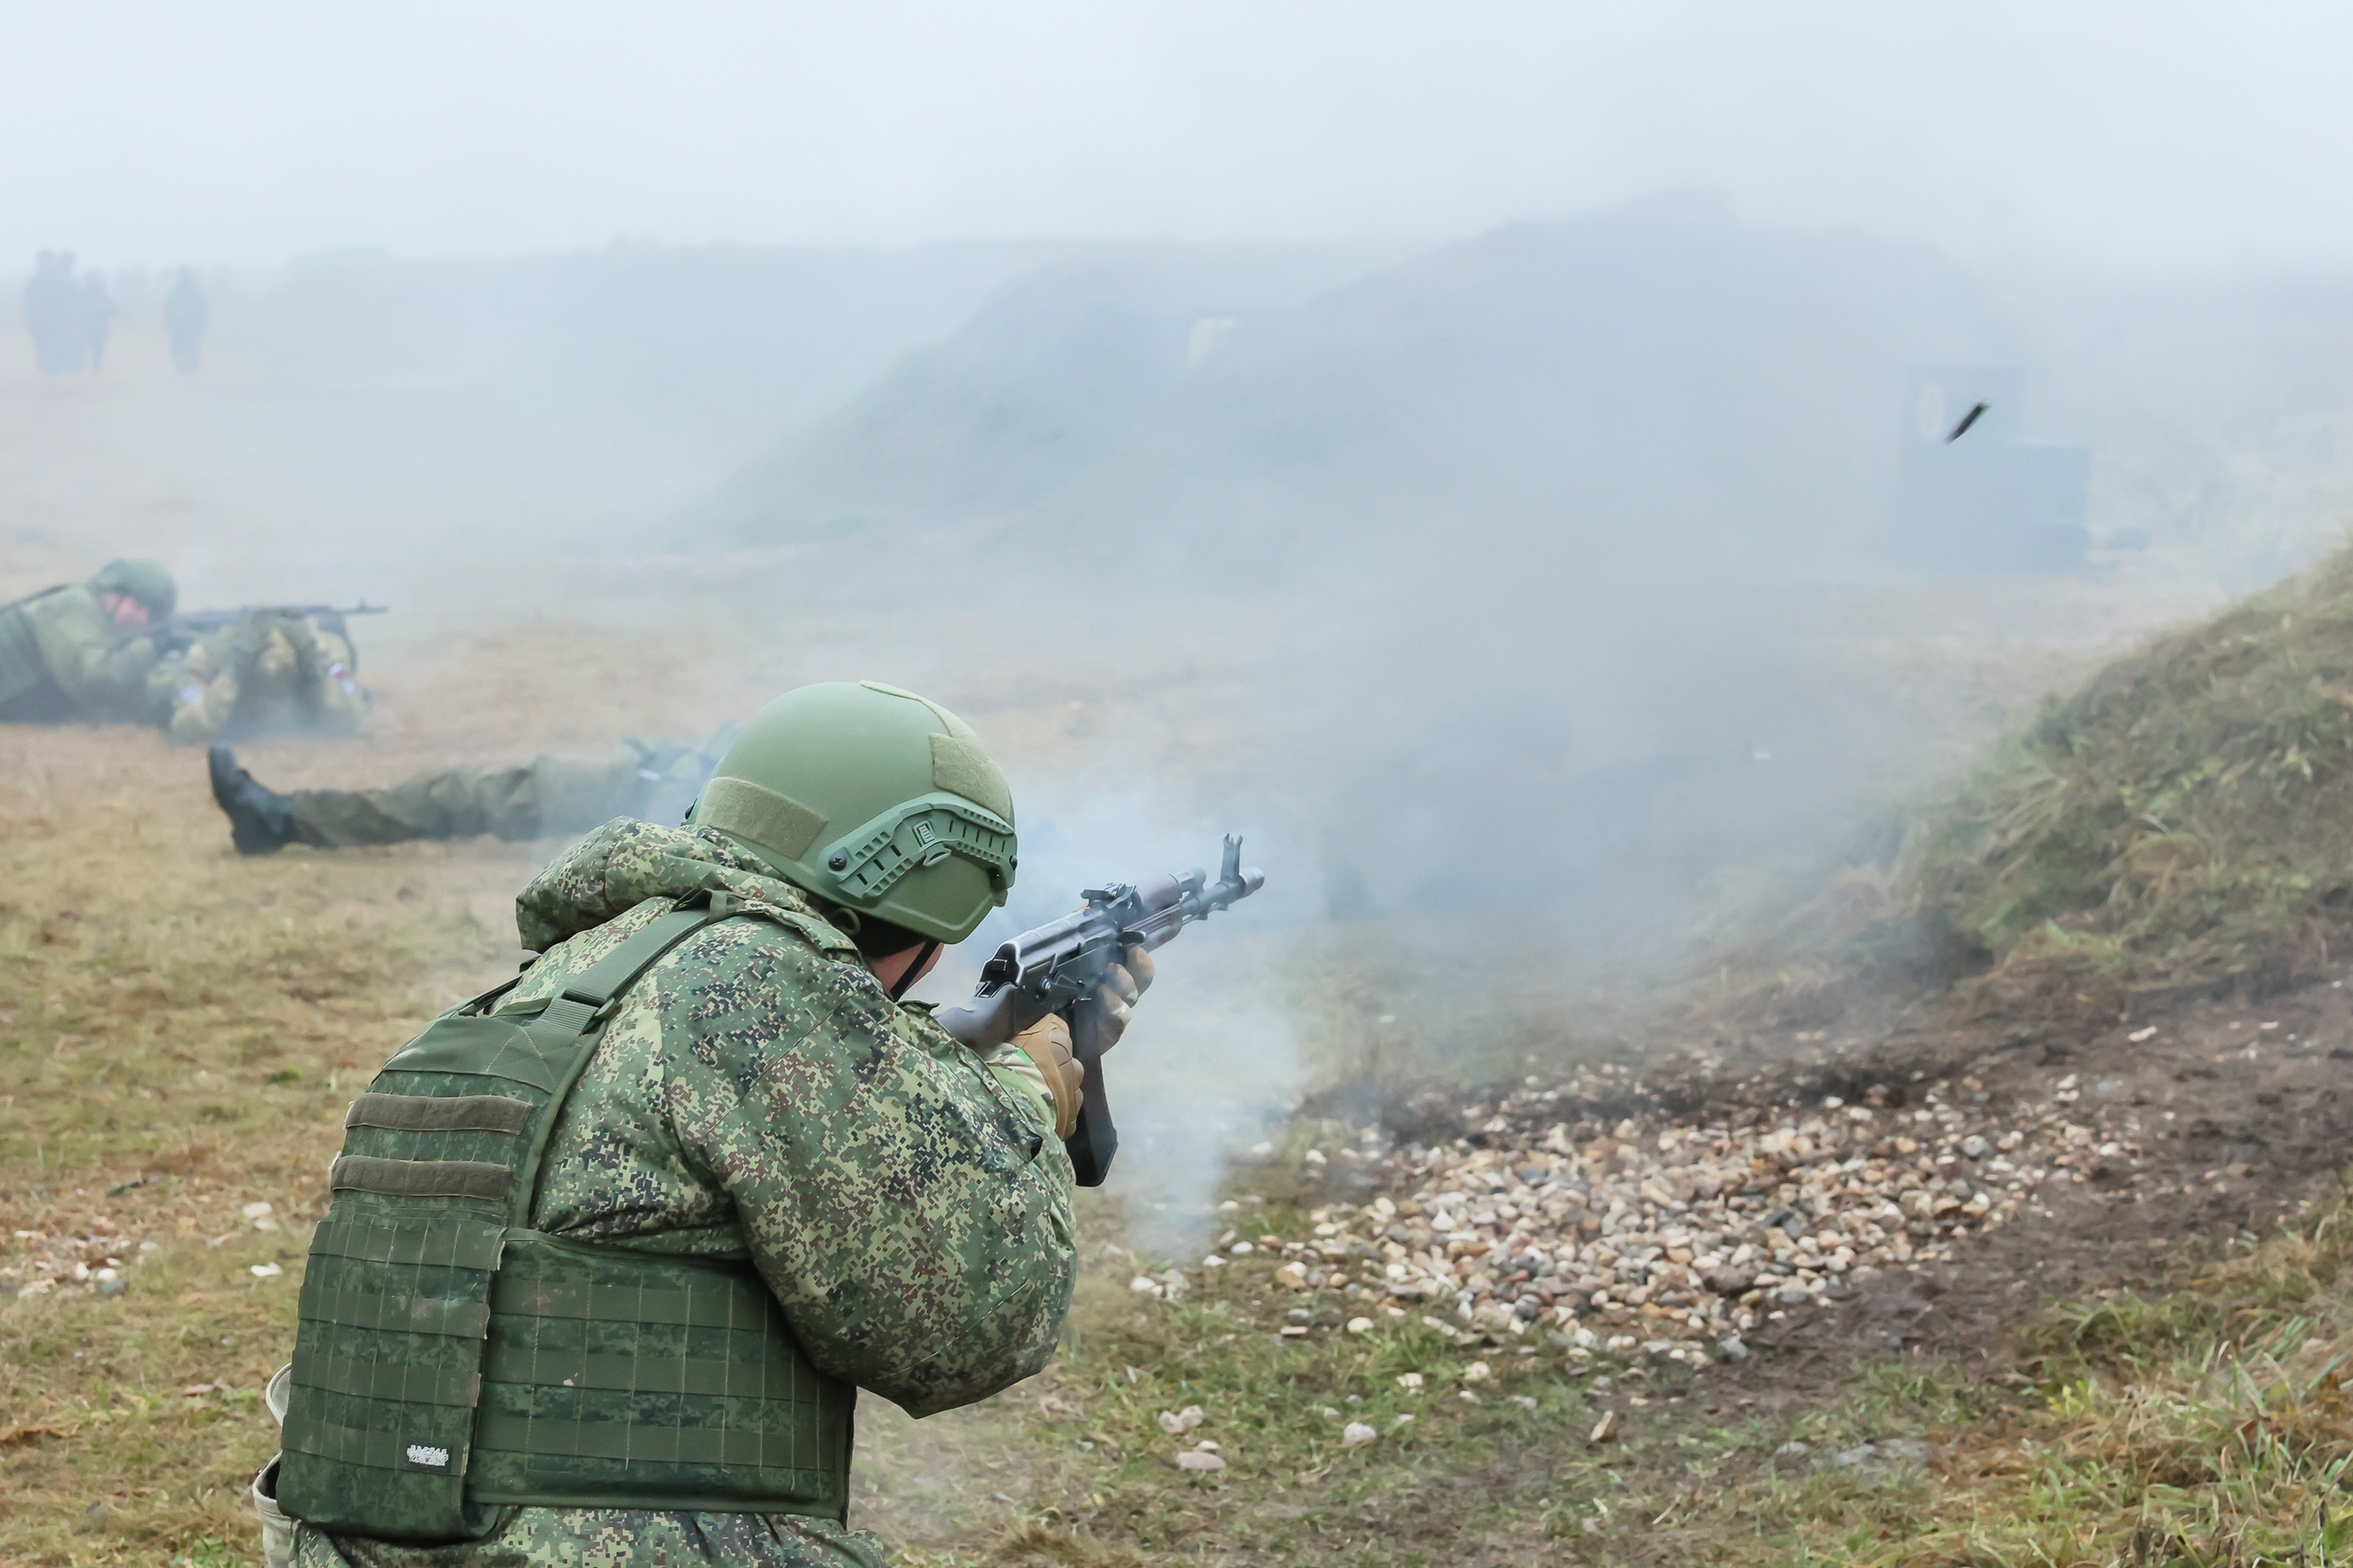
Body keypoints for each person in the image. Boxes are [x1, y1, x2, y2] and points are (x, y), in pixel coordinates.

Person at [261, 679, 1147, 1568]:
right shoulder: (758, 987)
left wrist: (963, 1060)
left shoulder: (572, 974)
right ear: (922, 899)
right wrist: (1030, 1091)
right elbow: (970, 1322)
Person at [206, 726, 739, 854]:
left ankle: (277, 819)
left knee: (465, 793)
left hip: (672, 803)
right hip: (663, 783)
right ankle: (279, 818)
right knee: (464, 791)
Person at [148, 608, 370, 744]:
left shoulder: (328, 648)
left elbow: (351, 717)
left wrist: (311, 656)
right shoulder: (208, 651)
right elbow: (188, 727)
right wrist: (235, 667)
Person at [0, 558, 176, 722]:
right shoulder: (75, 604)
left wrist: (185, 693)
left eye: (152, 615)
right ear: (113, 591)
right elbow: (95, 681)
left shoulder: (107, 636)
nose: (142, 619)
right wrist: (156, 647)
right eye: (138, 606)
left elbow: (133, 697)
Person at [164, 267, 209, 371]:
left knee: (194, 346)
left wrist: (200, 323)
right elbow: (168, 309)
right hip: (178, 326)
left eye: (186, 274)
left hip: (193, 325)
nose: (184, 276)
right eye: (182, 274)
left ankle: (193, 368)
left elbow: (203, 308)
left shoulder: (196, 291)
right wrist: (169, 323)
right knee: (178, 347)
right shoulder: (174, 291)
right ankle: (180, 367)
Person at [81, 270, 115, 369]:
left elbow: (112, 310)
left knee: (99, 348)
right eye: (92, 279)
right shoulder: (83, 294)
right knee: (83, 348)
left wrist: (104, 309)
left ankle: (97, 368)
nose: (95, 282)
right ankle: (80, 368)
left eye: (97, 279)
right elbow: (77, 309)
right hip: (85, 327)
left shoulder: (104, 295)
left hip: (101, 327)